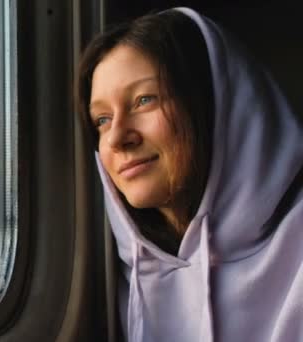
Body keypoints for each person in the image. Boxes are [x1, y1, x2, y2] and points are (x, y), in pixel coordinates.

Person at [75, 7, 303, 342]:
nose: (117, 138)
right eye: (102, 119)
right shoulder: (116, 269)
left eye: (143, 100)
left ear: (214, 106)